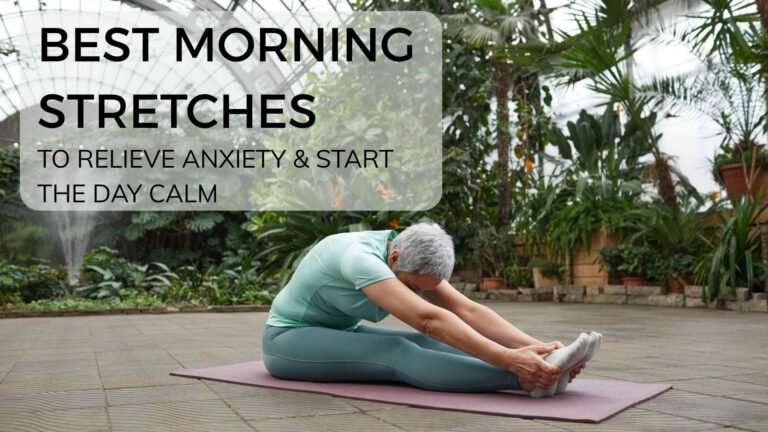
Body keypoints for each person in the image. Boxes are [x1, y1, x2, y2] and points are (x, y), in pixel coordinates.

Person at [262, 222, 587, 394]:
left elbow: (467, 311)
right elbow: (428, 319)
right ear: (394, 259)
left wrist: (534, 347)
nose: (418, 293)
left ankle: (540, 366)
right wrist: (509, 362)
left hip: (337, 331)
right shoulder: (359, 259)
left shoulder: (410, 259)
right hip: (288, 339)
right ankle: (523, 380)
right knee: (397, 348)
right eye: (414, 286)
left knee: (427, 344)